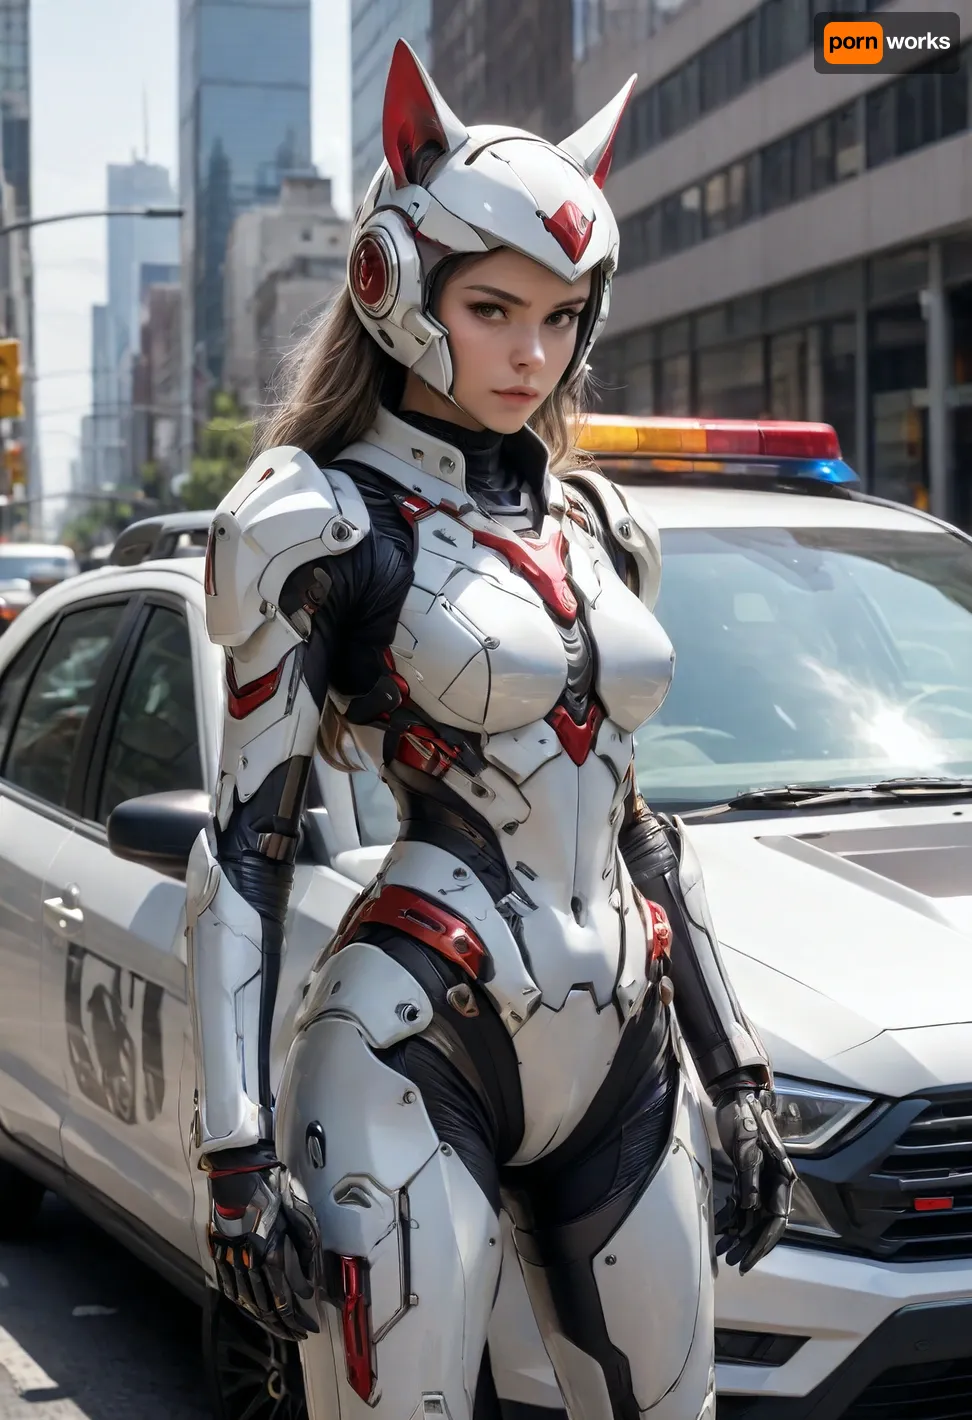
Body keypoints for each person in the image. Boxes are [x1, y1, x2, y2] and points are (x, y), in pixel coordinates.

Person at [186, 40, 795, 1420]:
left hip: (625, 1049)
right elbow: (243, 846)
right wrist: (231, 1151)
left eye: (564, 314)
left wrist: (735, 1063)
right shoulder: (313, 520)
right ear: (397, 288)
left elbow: (639, 820)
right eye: (496, 306)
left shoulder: (596, 530)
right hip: (415, 1037)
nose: (536, 353)